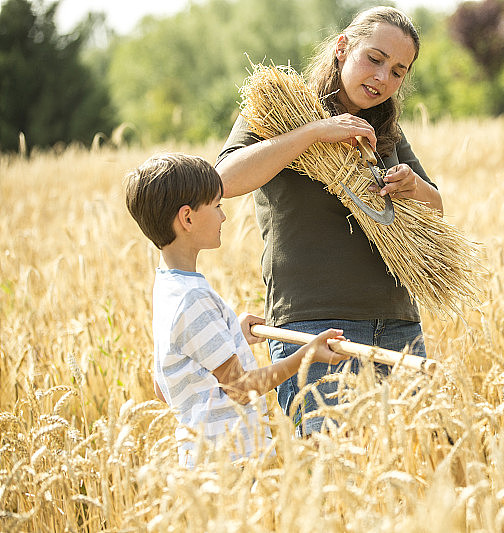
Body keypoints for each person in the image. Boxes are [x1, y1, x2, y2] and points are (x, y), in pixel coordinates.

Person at [215, 7, 441, 435]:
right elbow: (222, 180)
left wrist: (413, 187)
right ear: (342, 48)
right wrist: (315, 133)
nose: (382, 79)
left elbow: (437, 210)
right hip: (316, 328)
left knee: (411, 476)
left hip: (397, 321)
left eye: (398, 71)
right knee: (336, 474)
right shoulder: (280, 107)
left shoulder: (385, 128)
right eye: (374, 59)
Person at [124, 153, 349, 466]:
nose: (223, 217)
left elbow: (164, 387)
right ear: (187, 218)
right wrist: (307, 354)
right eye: (216, 206)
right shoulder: (193, 299)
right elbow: (241, 389)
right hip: (230, 464)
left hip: (203, 460)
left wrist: (233, 336)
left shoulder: (168, 287)